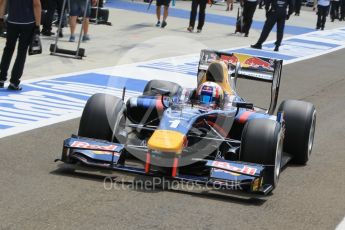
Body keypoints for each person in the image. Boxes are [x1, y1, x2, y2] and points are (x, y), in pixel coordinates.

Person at [0, 0, 41, 90]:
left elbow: (2, 2)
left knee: (8, 49)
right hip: (27, 23)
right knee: (21, 52)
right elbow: (36, 4)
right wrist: (37, 25)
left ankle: (1, 78)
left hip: (12, 21)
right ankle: (14, 81)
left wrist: (1, 18)